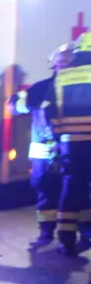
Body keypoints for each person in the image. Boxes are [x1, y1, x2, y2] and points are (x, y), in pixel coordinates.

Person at [17, 45, 73, 249]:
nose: (61, 68)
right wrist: (21, 101)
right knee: (46, 191)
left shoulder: (79, 90)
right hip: (48, 153)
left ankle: (71, 235)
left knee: (73, 193)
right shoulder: (40, 89)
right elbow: (15, 106)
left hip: (68, 151)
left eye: (65, 64)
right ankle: (47, 232)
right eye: (59, 64)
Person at [53, 32, 91, 254]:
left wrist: (60, 138)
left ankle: (66, 239)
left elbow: (54, 112)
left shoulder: (64, 76)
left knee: (72, 188)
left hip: (72, 143)